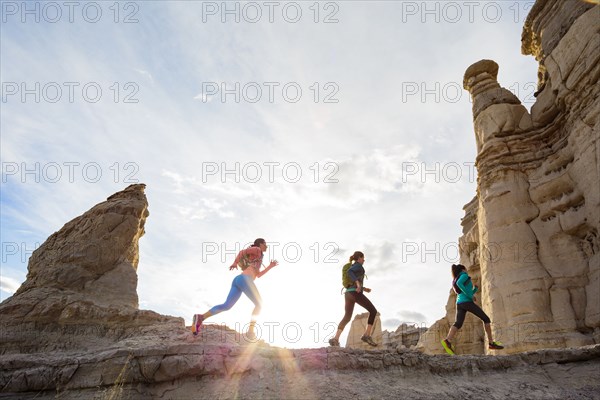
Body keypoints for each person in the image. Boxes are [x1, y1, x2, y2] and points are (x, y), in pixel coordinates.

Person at [191, 238, 278, 339]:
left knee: (227, 306)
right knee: (259, 304)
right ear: (260, 244)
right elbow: (242, 252)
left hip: (238, 280)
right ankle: (250, 332)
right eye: (265, 244)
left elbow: (258, 275)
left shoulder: (258, 258)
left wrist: (270, 266)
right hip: (245, 280)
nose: (266, 246)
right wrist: (235, 263)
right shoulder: (257, 250)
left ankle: (200, 317)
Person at [441, 264, 504, 355]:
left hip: (460, 303)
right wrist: (470, 295)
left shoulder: (457, 278)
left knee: (458, 323)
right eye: (466, 269)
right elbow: (460, 284)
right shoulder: (464, 275)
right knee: (486, 319)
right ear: (463, 269)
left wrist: (475, 290)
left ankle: (447, 340)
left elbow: (463, 290)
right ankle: (491, 343)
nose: (467, 270)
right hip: (466, 302)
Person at [329, 251, 378, 347]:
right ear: (359, 258)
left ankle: (335, 339)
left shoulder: (354, 266)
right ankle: (366, 335)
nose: (364, 260)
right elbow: (350, 272)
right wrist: (359, 284)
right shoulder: (359, 266)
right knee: (373, 311)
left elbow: (352, 280)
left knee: (347, 317)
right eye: (363, 258)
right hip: (355, 293)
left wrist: (364, 288)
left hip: (348, 294)